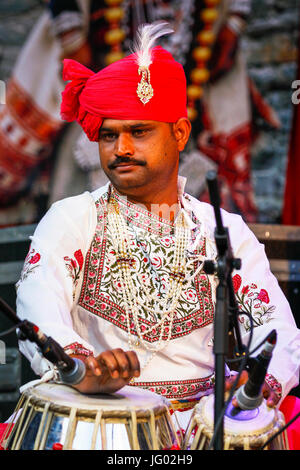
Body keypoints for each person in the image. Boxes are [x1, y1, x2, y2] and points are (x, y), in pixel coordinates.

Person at [15, 22, 300, 447]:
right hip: (102, 426)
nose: (121, 148)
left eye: (139, 131)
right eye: (109, 135)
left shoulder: (221, 230)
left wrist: (253, 383)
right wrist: (81, 365)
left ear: (180, 134)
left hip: (205, 429)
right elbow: (38, 303)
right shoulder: (74, 219)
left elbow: (278, 330)